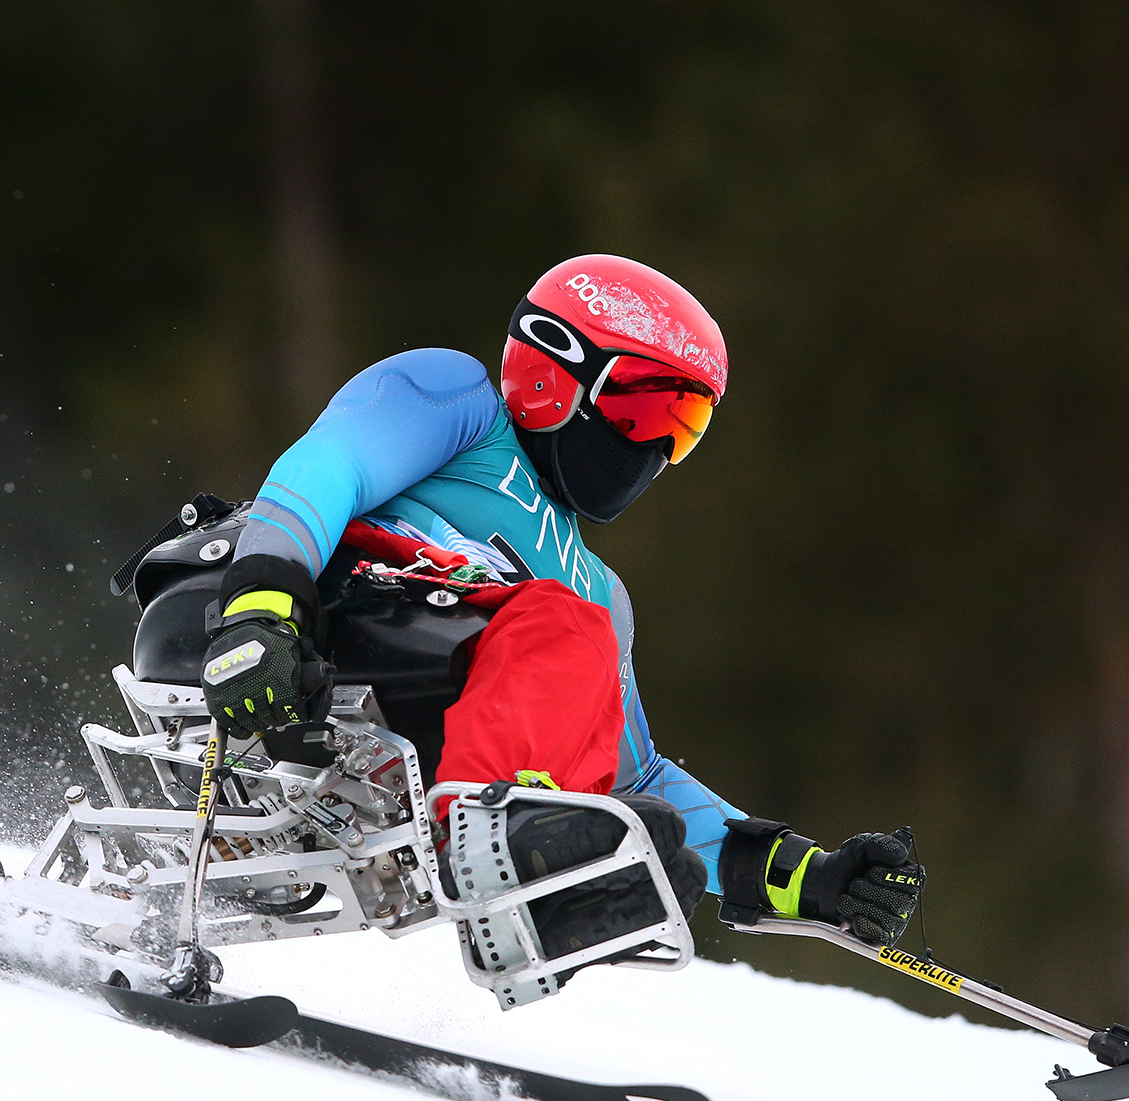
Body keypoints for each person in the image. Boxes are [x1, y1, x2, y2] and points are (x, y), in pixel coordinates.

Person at [198, 254, 924, 953]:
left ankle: (551, 861)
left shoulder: (598, 594)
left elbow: (629, 771)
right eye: (641, 414)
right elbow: (328, 470)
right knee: (565, 627)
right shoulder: (461, 403)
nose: (654, 451)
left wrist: (807, 875)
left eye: (682, 429)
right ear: (556, 373)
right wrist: (263, 609)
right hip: (326, 615)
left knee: (649, 829)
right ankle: (502, 844)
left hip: (450, 708)